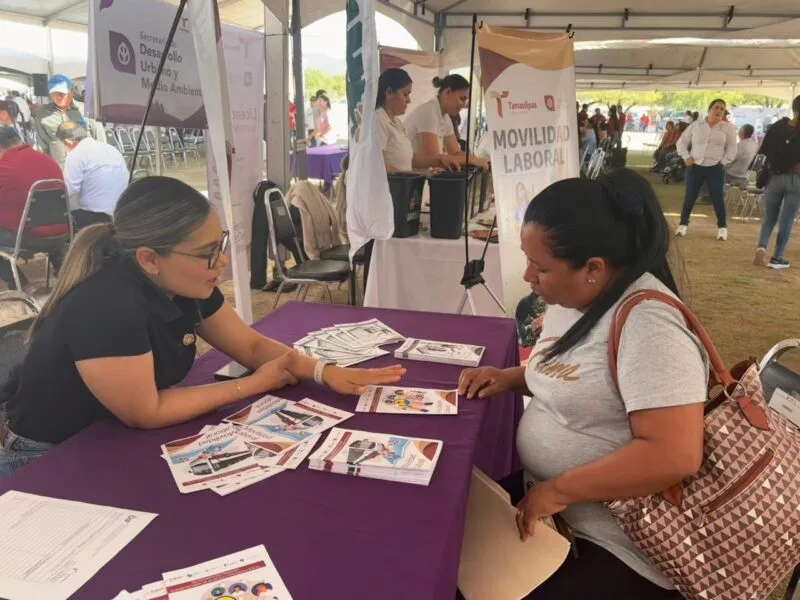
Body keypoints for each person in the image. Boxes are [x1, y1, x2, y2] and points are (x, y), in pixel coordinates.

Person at [0, 176, 405, 477]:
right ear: (149, 259)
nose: (222, 263)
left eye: (221, 245)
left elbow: (250, 347)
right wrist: (254, 384)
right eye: (208, 253)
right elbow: (147, 411)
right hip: (50, 455)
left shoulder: (186, 282)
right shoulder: (107, 305)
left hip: (109, 436)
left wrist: (323, 372)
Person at [458, 169, 705, 599]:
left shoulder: (651, 326)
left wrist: (558, 490)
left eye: (541, 267)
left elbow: (675, 453)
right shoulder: (573, 297)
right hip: (555, 508)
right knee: (448, 542)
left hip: (619, 542)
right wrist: (511, 378)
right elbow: (575, 376)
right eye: (527, 260)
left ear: (593, 268)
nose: (529, 277)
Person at [0, 126, 66, 290]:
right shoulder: (47, 159)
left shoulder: (5, 166)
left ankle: (18, 283)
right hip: (62, 234)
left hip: (26, 238)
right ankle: (64, 272)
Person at [374, 68, 459, 174]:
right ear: (389, 92)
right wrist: (418, 174)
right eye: (405, 94)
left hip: (403, 188)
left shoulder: (397, 122)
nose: (409, 100)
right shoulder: (378, 120)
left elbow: (412, 159)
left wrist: (440, 160)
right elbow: (378, 167)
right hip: (389, 189)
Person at [675, 98, 738, 240]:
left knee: (717, 197)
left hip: (715, 167)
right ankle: (683, 224)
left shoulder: (728, 128)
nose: (719, 111)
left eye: (722, 109)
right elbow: (681, 142)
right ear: (710, 109)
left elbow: (732, 149)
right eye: (717, 107)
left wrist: (723, 162)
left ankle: (722, 227)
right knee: (690, 196)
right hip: (695, 166)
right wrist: (686, 157)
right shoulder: (696, 125)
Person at [403, 74, 489, 171]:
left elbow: (455, 152)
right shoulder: (429, 112)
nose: (463, 104)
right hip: (409, 177)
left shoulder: (445, 116)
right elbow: (436, 160)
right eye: (462, 98)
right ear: (448, 92)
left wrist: (476, 160)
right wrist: (470, 160)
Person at [753, 94, 800, 270]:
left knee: (770, 217)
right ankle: (777, 257)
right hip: (796, 180)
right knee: (787, 220)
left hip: (774, 178)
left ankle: (762, 246)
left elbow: (762, 150)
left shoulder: (777, 127)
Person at [57, 121, 128, 231]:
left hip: (95, 217)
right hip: (120, 212)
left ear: (68, 142)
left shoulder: (76, 154)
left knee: (57, 217)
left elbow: (68, 191)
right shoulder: (111, 149)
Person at [33, 75, 89, 167]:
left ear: (71, 91)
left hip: (86, 165)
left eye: (61, 94)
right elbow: (42, 145)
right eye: (54, 94)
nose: (57, 97)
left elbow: (100, 138)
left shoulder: (84, 110)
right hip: (60, 169)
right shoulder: (43, 114)